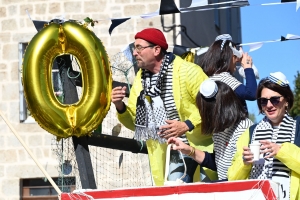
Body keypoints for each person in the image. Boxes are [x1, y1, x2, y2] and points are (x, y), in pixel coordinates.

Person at [111, 28, 214, 186]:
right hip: (173, 149)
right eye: (134, 48)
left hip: (204, 145)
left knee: (211, 192)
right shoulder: (141, 81)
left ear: (156, 50)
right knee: (174, 191)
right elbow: (135, 124)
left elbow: (213, 107)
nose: (134, 53)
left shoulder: (189, 71)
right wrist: (120, 106)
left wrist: (187, 125)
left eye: (139, 48)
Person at [228, 72, 300, 200]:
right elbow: (232, 179)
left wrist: (281, 151)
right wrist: (244, 163)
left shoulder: (298, 126)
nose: (269, 105)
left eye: (275, 99)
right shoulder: (250, 132)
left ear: (287, 101)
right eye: (263, 101)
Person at [168, 79, 253, 180]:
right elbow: (218, 164)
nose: (203, 115)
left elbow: (240, 171)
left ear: (218, 108)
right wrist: (189, 150)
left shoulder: (244, 128)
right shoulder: (219, 130)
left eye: (206, 110)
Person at [199, 34, 257, 115]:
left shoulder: (208, 78)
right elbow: (251, 93)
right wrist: (248, 67)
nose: (237, 59)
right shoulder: (224, 78)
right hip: (235, 127)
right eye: (235, 55)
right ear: (227, 56)